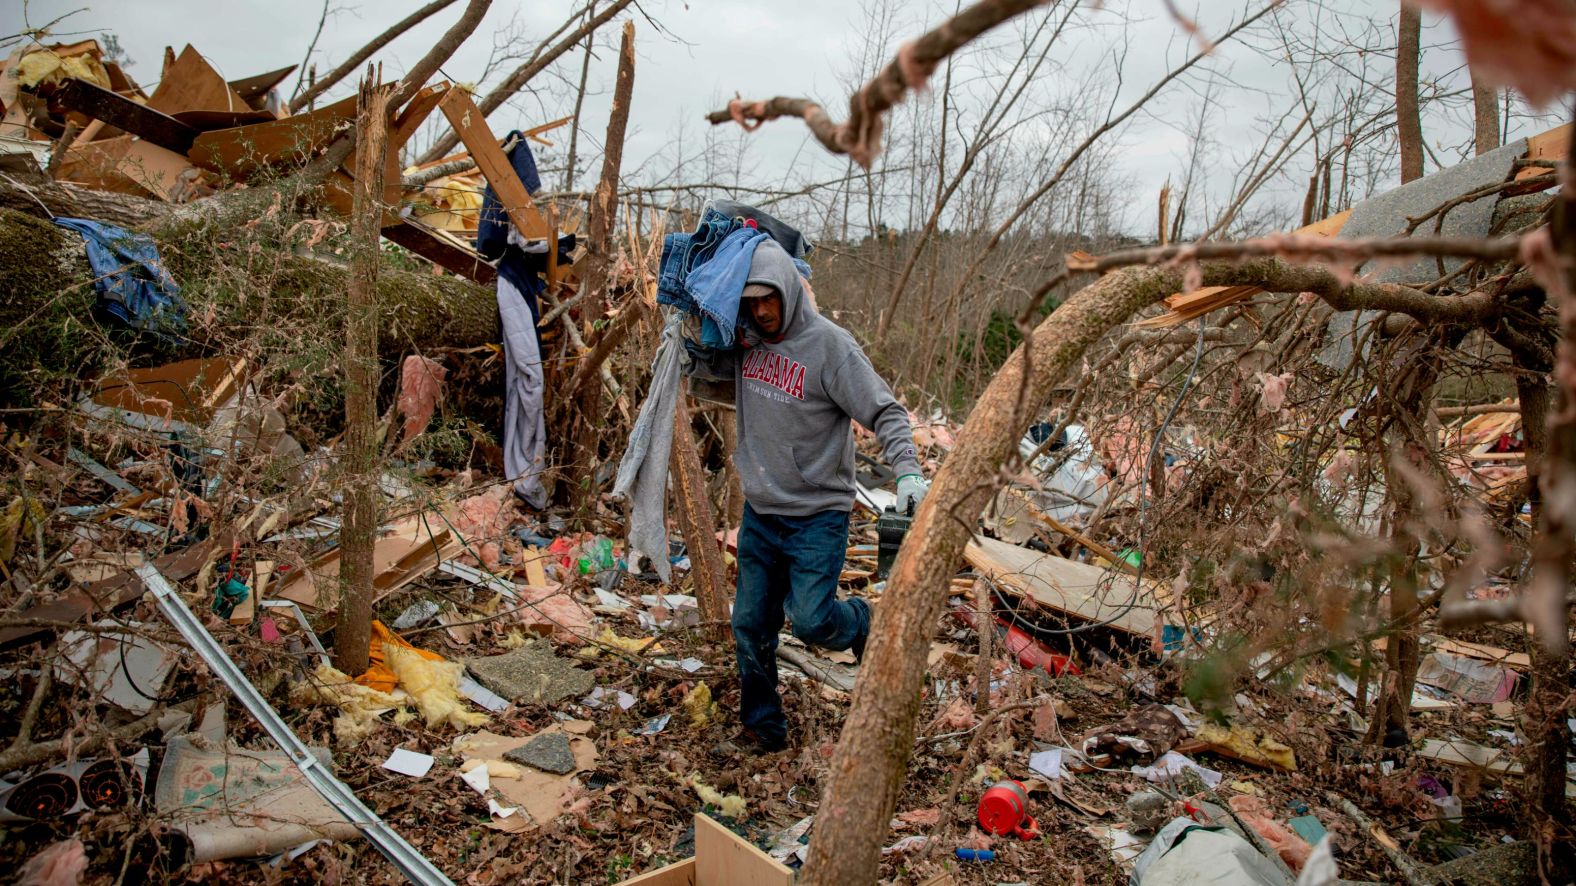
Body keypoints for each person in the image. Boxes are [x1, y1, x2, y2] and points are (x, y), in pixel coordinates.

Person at [685, 237, 929, 752]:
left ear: (789, 292)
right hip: (762, 513)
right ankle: (763, 727)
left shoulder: (830, 347)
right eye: (751, 301)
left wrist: (907, 471)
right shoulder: (744, 340)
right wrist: (689, 329)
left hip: (818, 514)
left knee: (812, 619)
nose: (762, 310)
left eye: (769, 298)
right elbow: (701, 373)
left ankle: (863, 622)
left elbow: (885, 411)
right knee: (749, 624)